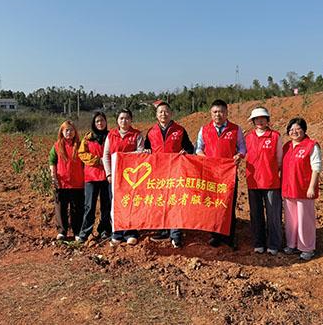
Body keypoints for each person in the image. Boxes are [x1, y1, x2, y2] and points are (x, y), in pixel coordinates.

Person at [195, 99, 246, 248]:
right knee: (212, 204)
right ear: (211, 113)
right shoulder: (204, 130)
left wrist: (239, 155)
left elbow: (242, 148)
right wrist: (204, 158)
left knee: (228, 204)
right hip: (211, 175)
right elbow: (199, 149)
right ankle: (214, 235)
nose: (218, 114)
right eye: (215, 112)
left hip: (229, 174)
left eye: (221, 112)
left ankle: (229, 236)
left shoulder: (235, 129)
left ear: (226, 113)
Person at [144, 101, 194, 248]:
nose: (163, 114)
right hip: (158, 174)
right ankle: (163, 230)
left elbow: (190, 148)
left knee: (175, 202)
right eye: (160, 112)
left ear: (171, 113)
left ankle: (176, 234)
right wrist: (147, 151)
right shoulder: (151, 132)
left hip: (176, 173)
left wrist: (185, 152)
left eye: (166, 111)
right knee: (160, 202)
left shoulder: (180, 130)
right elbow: (146, 149)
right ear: (156, 115)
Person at [281, 117, 323, 261]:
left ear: (304, 130)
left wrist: (311, 187)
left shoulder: (311, 146)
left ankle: (307, 248)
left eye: (298, 129)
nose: (294, 132)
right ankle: (292, 244)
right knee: (291, 220)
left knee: (305, 219)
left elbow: (316, 167)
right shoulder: (286, 146)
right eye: (291, 129)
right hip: (288, 189)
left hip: (304, 189)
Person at [102, 108, 144, 246]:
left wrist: (123, 156)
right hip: (115, 177)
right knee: (115, 204)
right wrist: (109, 173)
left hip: (132, 178)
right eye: (121, 118)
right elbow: (106, 155)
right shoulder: (111, 135)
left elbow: (140, 153)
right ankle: (117, 233)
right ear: (117, 120)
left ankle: (130, 232)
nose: (124, 121)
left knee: (131, 203)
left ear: (131, 120)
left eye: (127, 118)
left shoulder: (137, 135)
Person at [245, 107, 283, 256]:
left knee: (273, 214)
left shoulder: (275, 136)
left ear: (267, 120)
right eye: (257, 119)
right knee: (256, 214)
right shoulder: (248, 137)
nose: (260, 121)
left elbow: (279, 159)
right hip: (253, 181)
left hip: (271, 181)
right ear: (253, 121)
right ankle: (259, 242)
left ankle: (274, 243)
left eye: (263, 118)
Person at [77, 112, 111, 243]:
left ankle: (104, 229)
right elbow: (82, 153)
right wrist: (97, 160)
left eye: (102, 120)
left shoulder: (110, 136)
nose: (100, 123)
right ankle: (85, 232)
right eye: (97, 121)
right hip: (91, 176)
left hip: (107, 176)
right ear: (94, 123)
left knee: (106, 205)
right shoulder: (88, 138)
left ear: (106, 122)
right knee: (89, 206)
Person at [49, 120, 85, 241]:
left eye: (71, 130)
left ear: (75, 132)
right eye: (67, 130)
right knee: (61, 208)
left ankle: (77, 232)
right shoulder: (57, 146)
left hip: (77, 183)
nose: (69, 132)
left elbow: (85, 163)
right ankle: (62, 232)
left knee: (77, 209)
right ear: (62, 132)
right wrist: (53, 177)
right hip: (61, 183)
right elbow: (52, 162)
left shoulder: (80, 145)